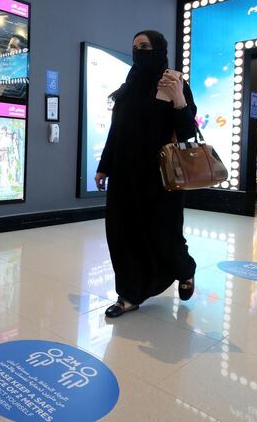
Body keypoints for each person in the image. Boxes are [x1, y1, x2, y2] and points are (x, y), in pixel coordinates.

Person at [95, 30, 198, 318]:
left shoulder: (175, 82)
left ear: (160, 49)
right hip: (125, 174)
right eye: (135, 46)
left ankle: (184, 269)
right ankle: (129, 294)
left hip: (162, 176)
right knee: (121, 233)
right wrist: (104, 166)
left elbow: (188, 133)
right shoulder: (129, 86)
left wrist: (179, 99)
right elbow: (117, 131)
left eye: (145, 46)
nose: (139, 51)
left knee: (164, 234)